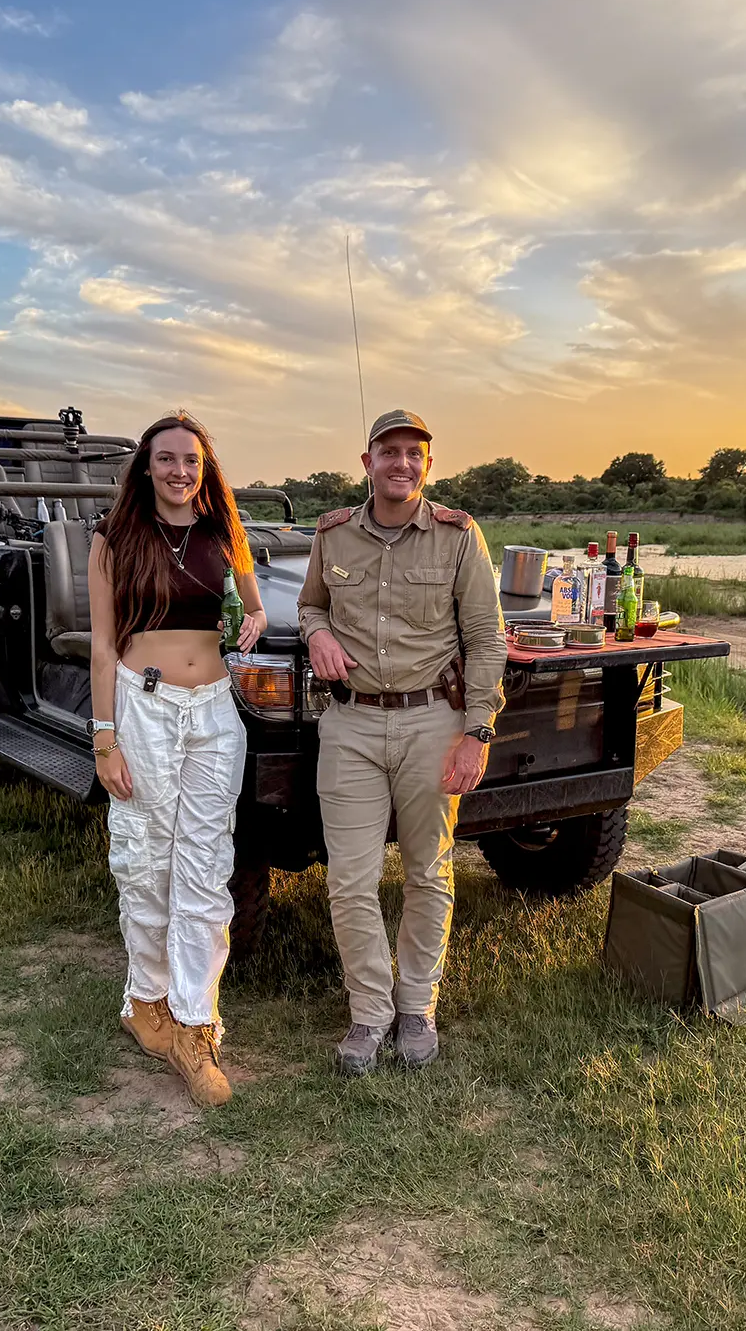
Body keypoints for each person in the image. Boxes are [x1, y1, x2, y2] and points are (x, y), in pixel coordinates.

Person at [297, 409, 507, 1075]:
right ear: (367, 462)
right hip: (351, 725)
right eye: (390, 452)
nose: (402, 464)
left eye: (415, 454)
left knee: (428, 871)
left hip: (431, 724)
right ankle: (369, 1015)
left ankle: (417, 1006)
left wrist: (477, 732)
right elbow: (310, 606)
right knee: (350, 881)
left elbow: (486, 640)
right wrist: (317, 635)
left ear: (428, 465)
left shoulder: (458, 535)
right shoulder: (333, 535)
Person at [88, 411, 267, 1107]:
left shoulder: (227, 531)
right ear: (145, 467)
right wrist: (104, 737)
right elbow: (103, 647)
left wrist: (251, 621)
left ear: (205, 468)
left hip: (216, 714)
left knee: (204, 863)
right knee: (146, 857)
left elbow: (252, 610)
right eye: (165, 460)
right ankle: (145, 1002)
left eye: (190, 461)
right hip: (143, 704)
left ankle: (197, 1022)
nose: (179, 472)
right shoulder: (115, 539)